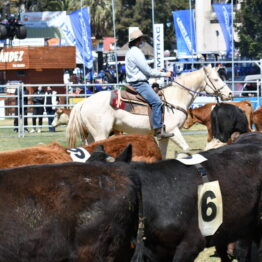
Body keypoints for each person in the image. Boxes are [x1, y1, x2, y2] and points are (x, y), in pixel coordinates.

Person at [125, 28, 174, 139]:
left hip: (134, 82)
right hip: (140, 84)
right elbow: (147, 71)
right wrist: (165, 74)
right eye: (142, 38)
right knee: (157, 102)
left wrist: (158, 71)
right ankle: (158, 130)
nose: (143, 40)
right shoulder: (137, 52)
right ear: (139, 40)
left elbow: (144, 69)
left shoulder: (130, 52)